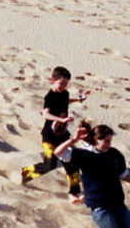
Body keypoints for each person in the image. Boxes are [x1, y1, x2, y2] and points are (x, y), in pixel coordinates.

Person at [20, 66, 90, 202]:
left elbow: (66, 101)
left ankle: (74, 192)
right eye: (61, 83)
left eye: (66, 84)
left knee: (71, 162)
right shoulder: (49, 97)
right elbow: (46, 113)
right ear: (53, 80)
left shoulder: (65, 93)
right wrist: (61, 119)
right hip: (49, 137)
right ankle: (26, 172)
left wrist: (80, 99)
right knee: (50, 164)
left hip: (63, 135)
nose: (63, 86)